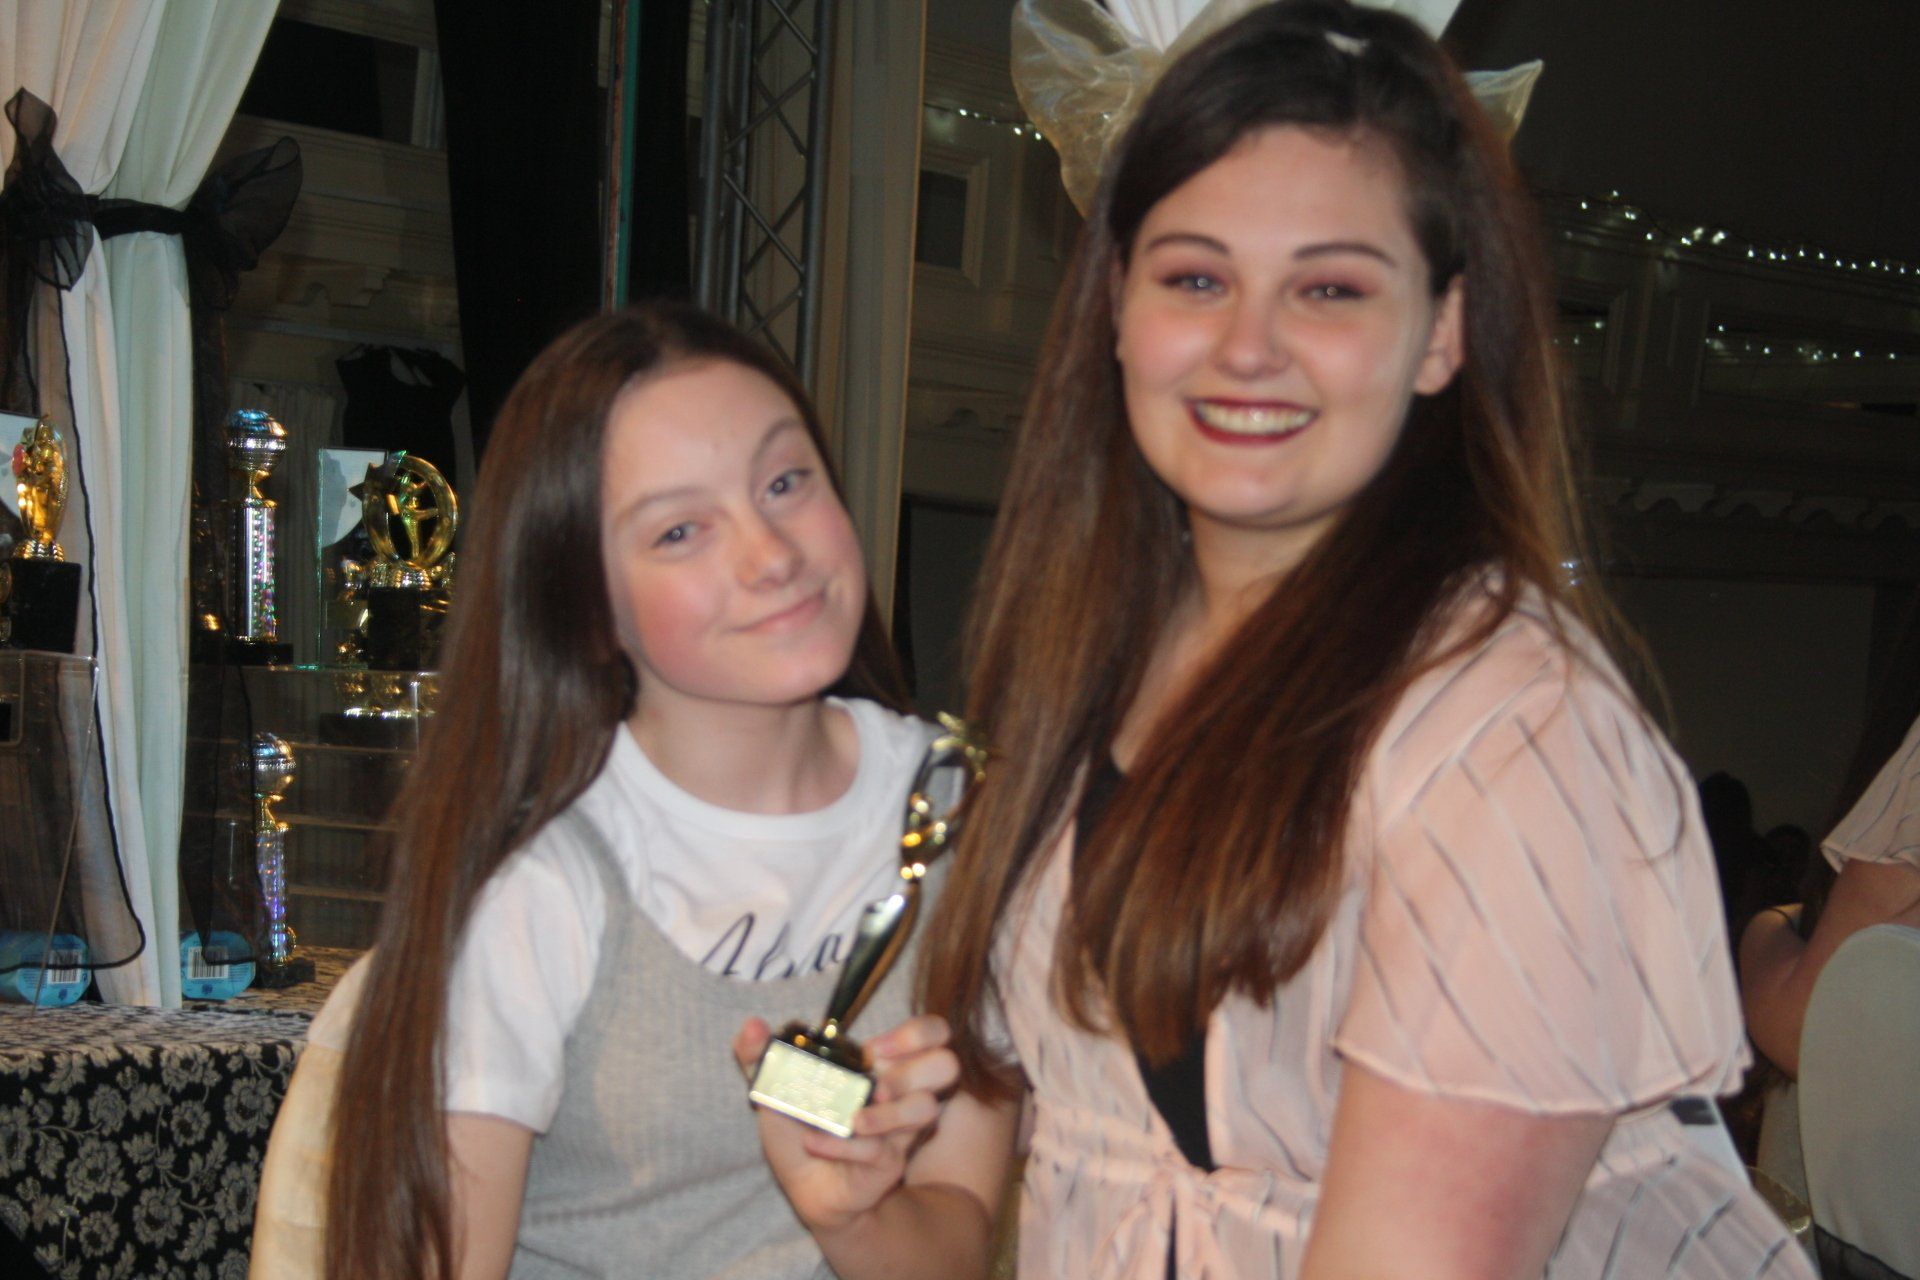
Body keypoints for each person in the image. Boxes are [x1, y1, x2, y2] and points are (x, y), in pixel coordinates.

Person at [901, 1, 1814, 1275]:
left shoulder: (1511, 736)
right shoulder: (1090, 665)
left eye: (1329, 287)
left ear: (1440, 331)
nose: (1248, 346)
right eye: (1196, 277)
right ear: (1114, 304)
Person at [260, 304, 1007, 1280]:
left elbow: (957, 1241)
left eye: (786, 482)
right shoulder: (542, 888)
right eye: (681, 530)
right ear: (587, 605)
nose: (771, 553)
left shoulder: (962, 815)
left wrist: (856, 1216)